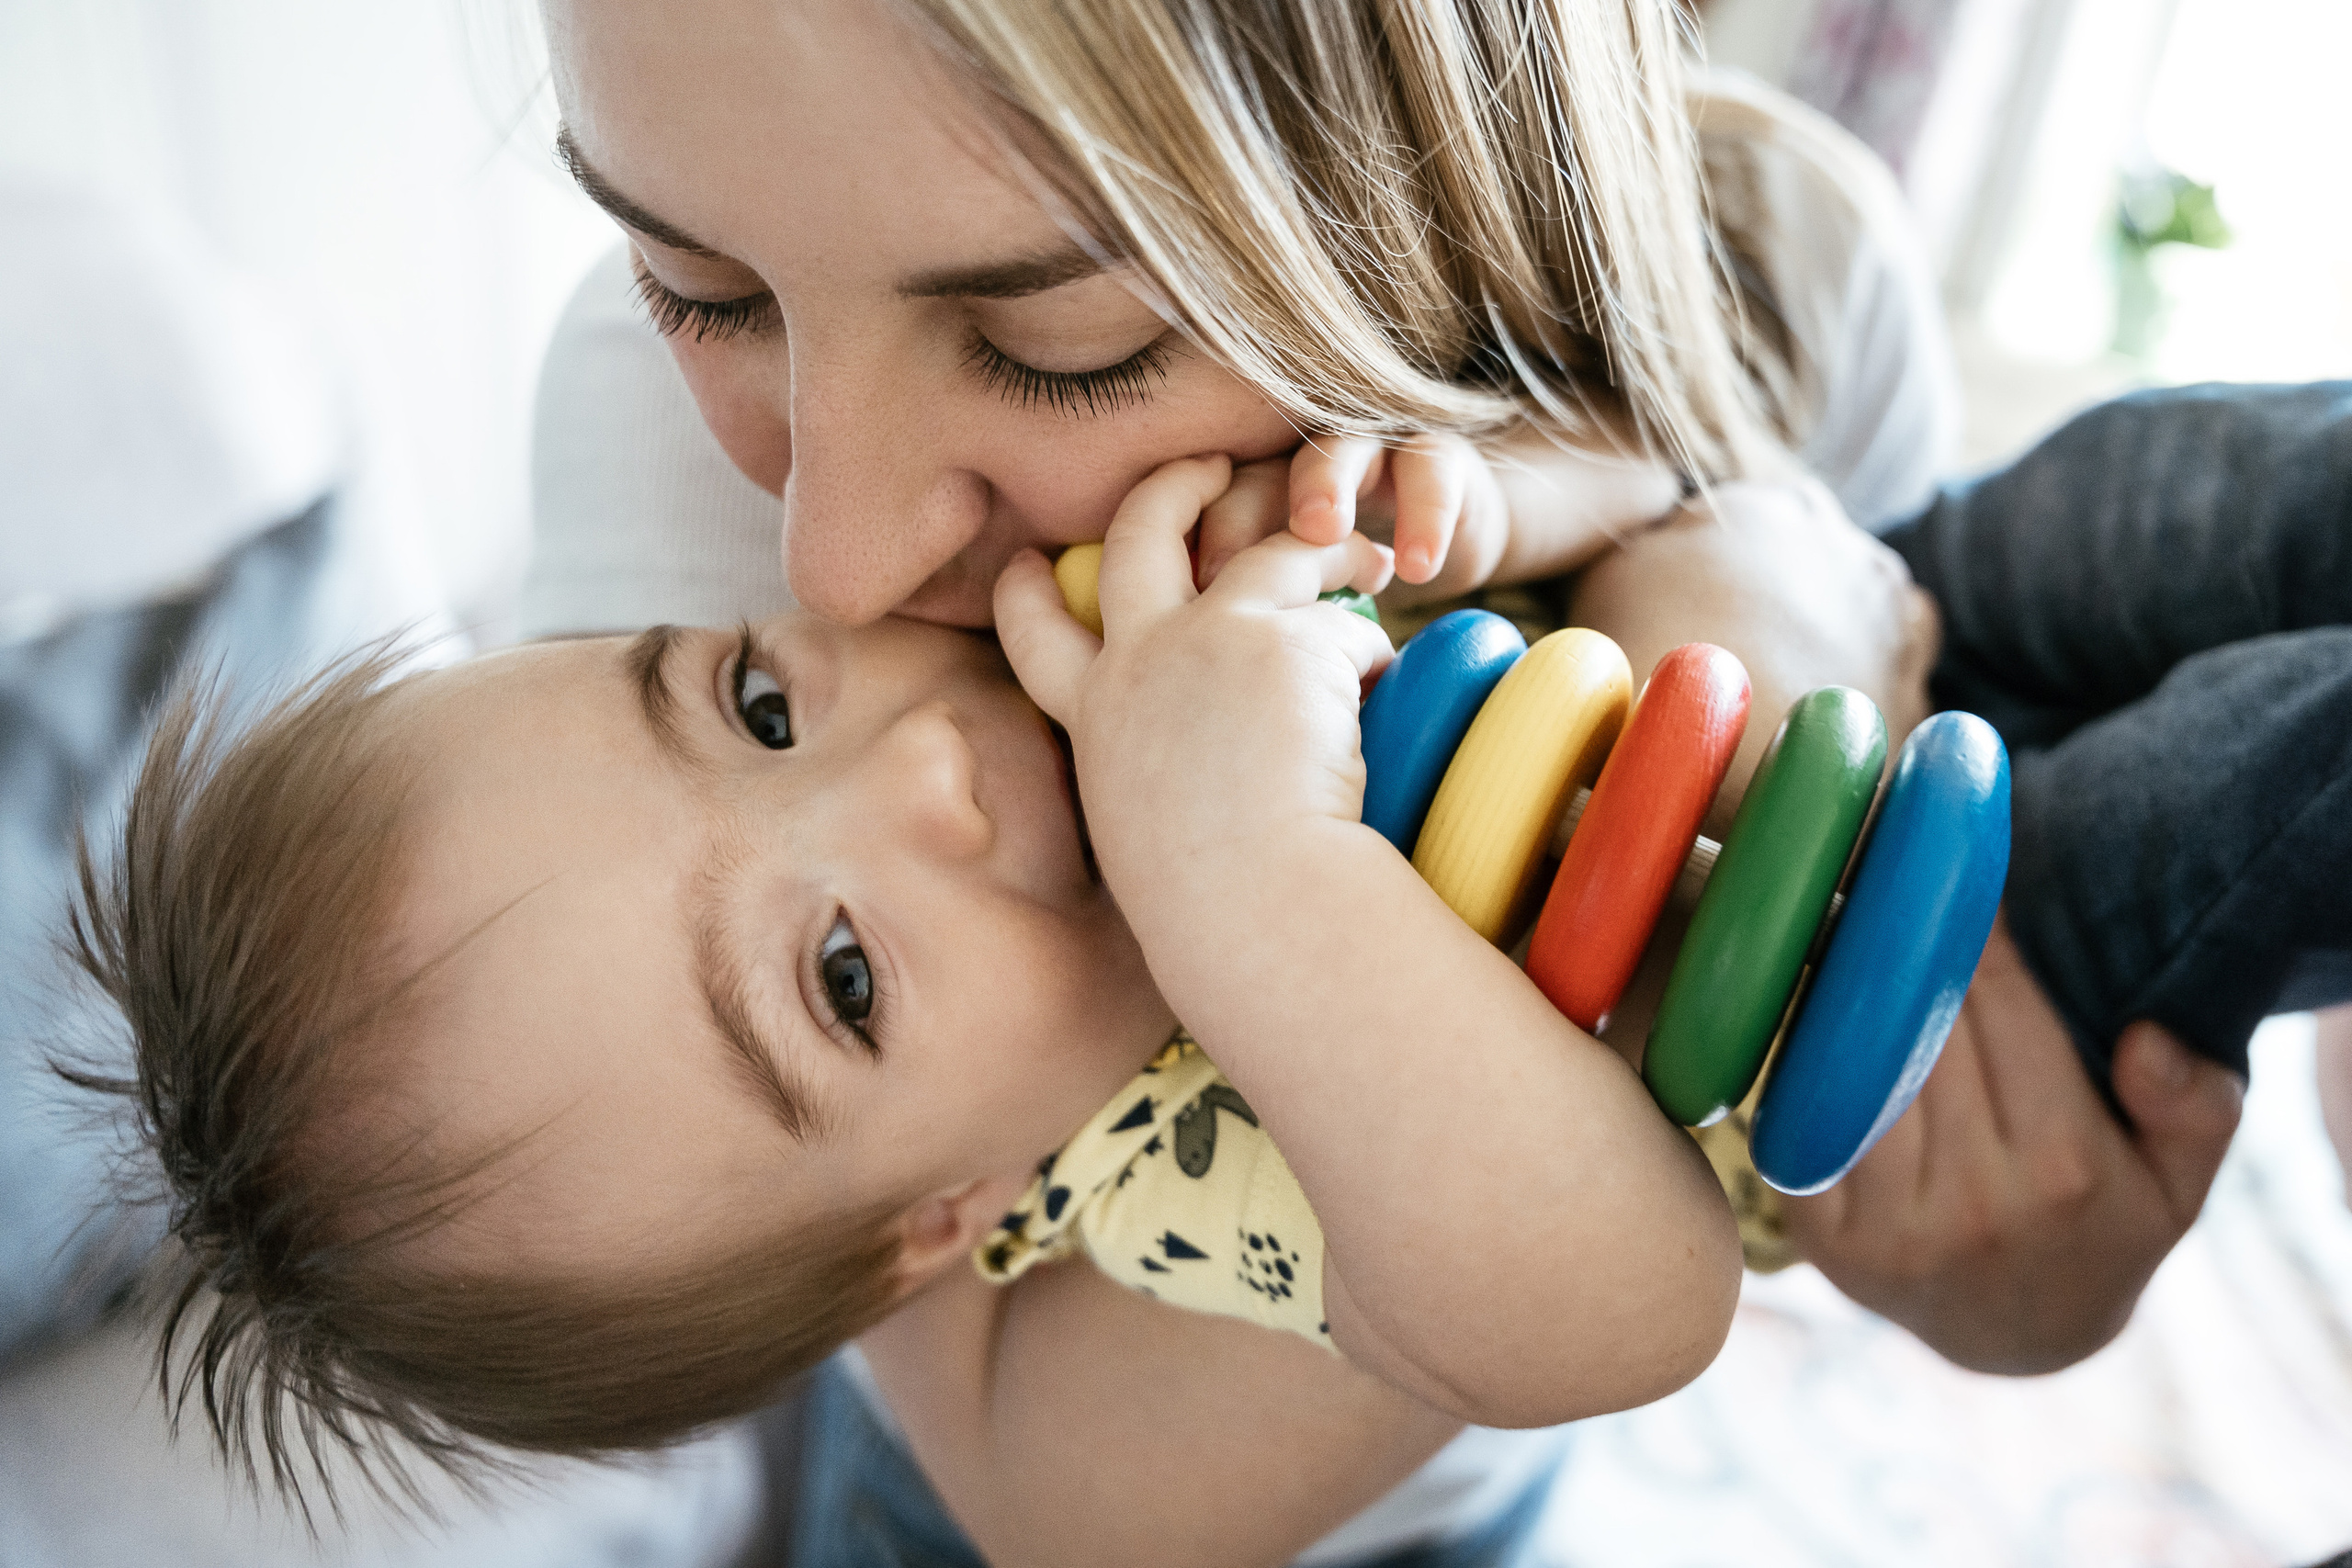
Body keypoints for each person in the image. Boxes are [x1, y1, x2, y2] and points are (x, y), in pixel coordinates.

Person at [529, 0, 2238, 1401]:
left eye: (1064, 344)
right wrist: (1247, 867)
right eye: (695, 285)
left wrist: (1668, 533)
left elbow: (1698, 517)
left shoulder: (1786, 280)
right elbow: (1055, 1480)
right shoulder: (1110, 1144)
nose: (830, 568)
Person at [73, 499, 1758, 1563]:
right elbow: (1634, 1303)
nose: (922, 767)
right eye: (844, 982)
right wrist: (1257, 869)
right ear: (952, 1217)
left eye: (758, 705)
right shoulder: (1175, 1198)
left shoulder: (1062, 575)